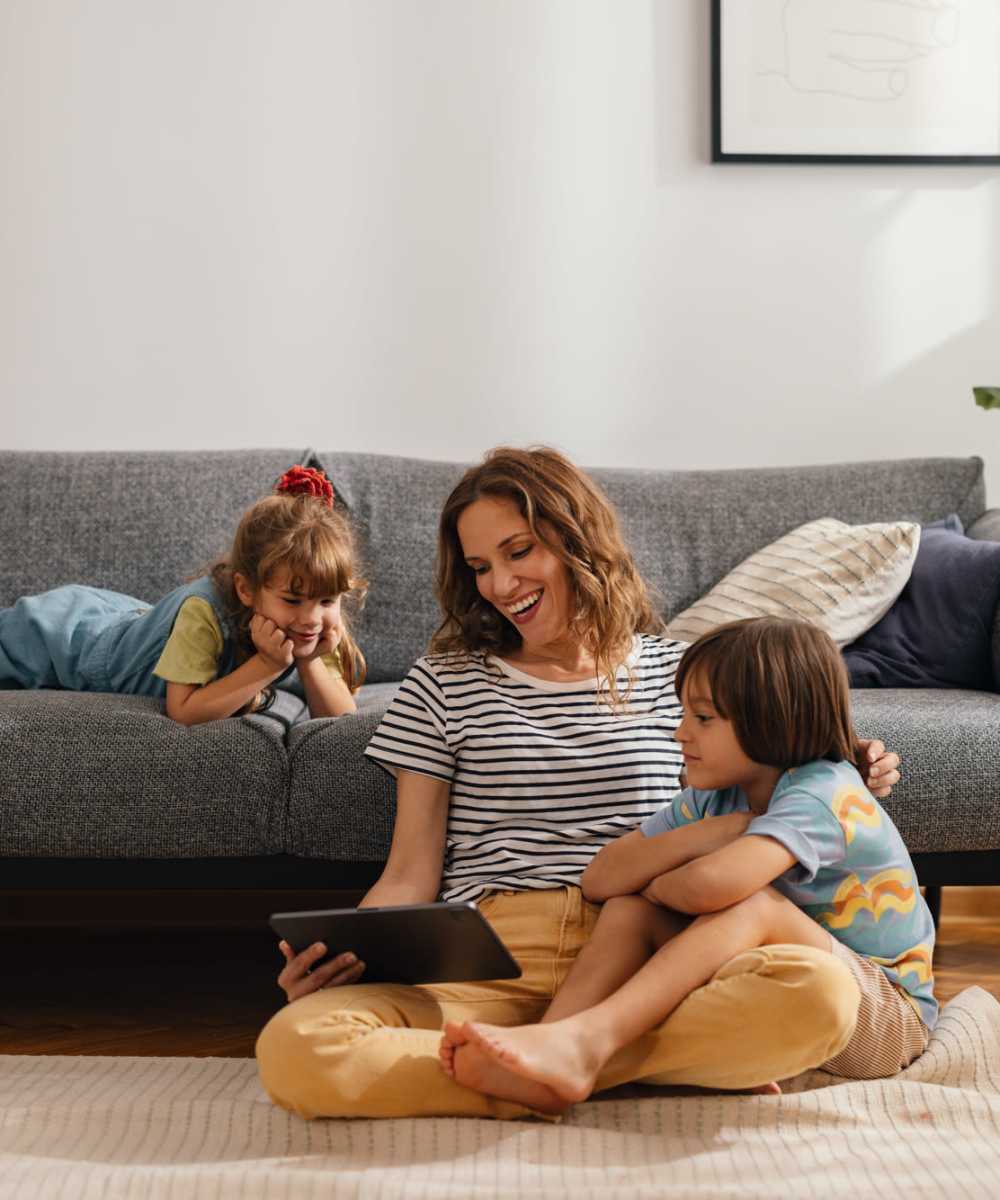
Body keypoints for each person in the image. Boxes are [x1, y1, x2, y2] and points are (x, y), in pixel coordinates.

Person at [256, 446, 900, 1120]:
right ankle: (609, 1067)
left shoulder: (684, 676)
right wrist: (350, 951)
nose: (501, 585)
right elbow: (411, 872)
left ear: (577, 539)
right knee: (299, 1044)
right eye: (480, 566)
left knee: (820, 994)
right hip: (490, 956)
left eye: (519, 551)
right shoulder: (441, 681)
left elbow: (771, 790)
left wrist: (846, 769)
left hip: (651, 952)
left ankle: (556, 1059)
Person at [438, 616, 935, 1113]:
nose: (680, 733)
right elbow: (601, 878)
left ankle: (592, 1041)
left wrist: (660, 883)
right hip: (778, 976)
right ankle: (552, 1044)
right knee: (629, 911)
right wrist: (718, 831)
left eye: (702, 719)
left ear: (772, 719)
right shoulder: (714, 800)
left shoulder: (824, 792)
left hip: (884, 1013)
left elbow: (712, 888)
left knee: (754, 906)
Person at [0, 465, 365, 723]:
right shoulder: (203, 611)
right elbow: (185, 711)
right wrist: (268, 665)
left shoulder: (312, 630)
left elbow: (340, 721)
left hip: (133, 624)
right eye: (293, 600)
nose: (312, 617)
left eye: (327, 601)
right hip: (70, 639)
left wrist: (309, 661)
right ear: (246, 589)